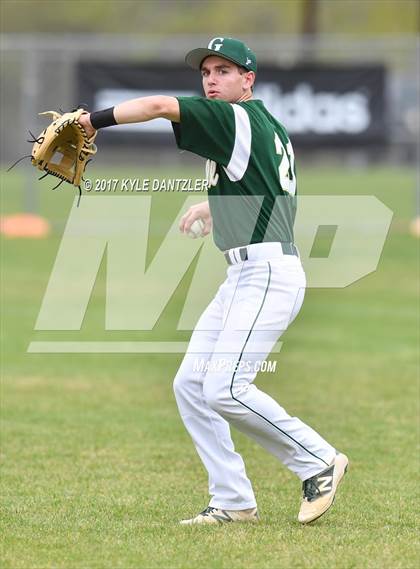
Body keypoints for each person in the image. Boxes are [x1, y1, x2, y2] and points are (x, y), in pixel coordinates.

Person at [79, 37, 348, 526]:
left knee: (225, 386)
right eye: (206, 71)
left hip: (266, 273)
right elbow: (271, 193)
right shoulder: (266, 125)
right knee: (191, 384)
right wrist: (214, 204)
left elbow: (160, 105)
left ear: (249, 79)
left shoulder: (231, 118)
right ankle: (233, 499)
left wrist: (89, 122)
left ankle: (318, 461)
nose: (211, 79)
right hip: (249, 272)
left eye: (224, 70)